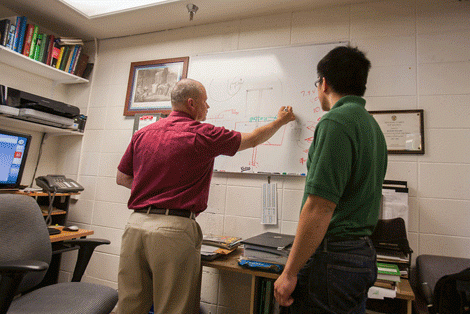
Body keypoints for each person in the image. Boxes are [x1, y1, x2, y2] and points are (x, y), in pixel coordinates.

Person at [116, 78, 295, 314]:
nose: (208, 107)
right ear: (191, 103)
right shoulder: (202, 133)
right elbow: (251, 139)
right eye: (205, 102)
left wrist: (154, 190)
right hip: (174, 229)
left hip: (135, 226)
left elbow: (122, 178)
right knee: (174, 308)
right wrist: (280, 121)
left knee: (130, 306)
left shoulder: (143, 133)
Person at [274, 46, 388, 313]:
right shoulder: (371, 126)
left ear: (324, 83)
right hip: (361, 255)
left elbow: (320, 206)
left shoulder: (335, 122)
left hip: (334, 257)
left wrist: (289, 273)